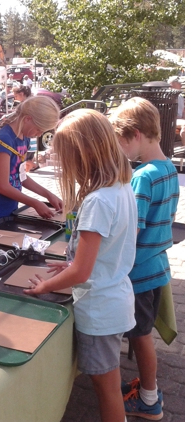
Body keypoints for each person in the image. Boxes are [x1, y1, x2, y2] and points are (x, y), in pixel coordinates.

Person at [25, 109, 137, 422]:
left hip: (100, 309)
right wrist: (74, 265)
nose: (63, 165)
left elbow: (82, 272)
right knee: (109, 385)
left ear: (84, 154)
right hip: (113, 298)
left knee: (107, 389)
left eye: (65, 157)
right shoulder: (121, 188)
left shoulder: (98, 201)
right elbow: (103, 254)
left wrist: (44, 285)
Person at [111, 97, 179, 421]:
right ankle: (147, 387)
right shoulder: (168, 169)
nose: (121, 151)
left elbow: (131, 231)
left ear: (135, 134)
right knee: (143, 335)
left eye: (121, 142)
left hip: (138, 272)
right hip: (157, 265)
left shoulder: (143, 177)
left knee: (141, 338)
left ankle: (150, 399)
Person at [0, 96, 62, 227]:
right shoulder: (4, 139)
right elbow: (3, 186)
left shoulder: (24, 138)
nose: (39, 134)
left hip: (10, 209)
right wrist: (34, 203)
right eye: (39, 129)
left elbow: (21, 176)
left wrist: (48, 194)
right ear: (28, 119)